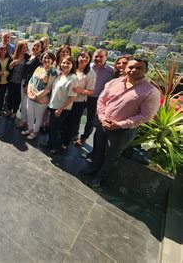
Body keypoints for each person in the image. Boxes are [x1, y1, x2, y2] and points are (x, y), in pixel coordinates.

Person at [87, 58, 160, 188]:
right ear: (126, 68)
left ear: (146, 71)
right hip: (103, 124)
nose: (133, 70)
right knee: (99, 150)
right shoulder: (114, 83)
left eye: (139, 68)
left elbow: (146, 115)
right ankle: (93, 169)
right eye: (131, 67)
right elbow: (102, 100)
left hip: (123, 131)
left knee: (111, 156)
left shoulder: (150, 91)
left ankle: (100, 178)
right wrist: (103, 117)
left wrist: (120, 124)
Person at [76, 49, 114, 147]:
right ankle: (74, 134)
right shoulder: (88, 66)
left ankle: (83, 138)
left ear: (106, 57)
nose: (98, 59)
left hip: (96, 99)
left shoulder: (111, 71)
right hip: (82, 95)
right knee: (76, 116)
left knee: (90, 120)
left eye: (101, 56)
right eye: (96, 56)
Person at [63, 50, 96, 147]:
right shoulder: (72, 67)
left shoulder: (91, 73)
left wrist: (80, 90)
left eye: (87, 57)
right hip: (65, 99)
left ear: (89, 60)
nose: (84, 58)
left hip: (78, 102)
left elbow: (91, 91)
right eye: (82, 56)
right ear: (78, 57)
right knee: (63, 120)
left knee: (71, 123)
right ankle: (59, 139)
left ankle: (65, 143)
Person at [46, 56, 78, 154]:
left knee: (54, 128)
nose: (65, 65)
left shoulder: (73, 78)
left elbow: (72, 97)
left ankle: (56, 147)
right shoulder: (60, 75)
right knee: (51, 127)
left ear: (72, 65)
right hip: (53, 105)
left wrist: (60, 109)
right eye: (63, 63)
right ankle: (50, 143)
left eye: (68, 63)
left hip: (61, 108)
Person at [23, 52, 58, 140]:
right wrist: (29, 92)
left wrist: (36, 96)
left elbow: (48, 88)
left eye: (49, 58)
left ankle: (35, 131)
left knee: (38, 117)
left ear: (53, 60)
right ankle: (30, 129)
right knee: (30, 114)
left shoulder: (53, 72)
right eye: (45, 57)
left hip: (42, 98)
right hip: (31, 95)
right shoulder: (39, 67)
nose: (46, 60)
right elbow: (31, 80)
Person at [16, 40, 43, 128]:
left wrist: (26, 85)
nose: (35, 47)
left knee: (25, 103)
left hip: (29, 84)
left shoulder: (39, 59)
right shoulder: (30, 56)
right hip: (23, 81)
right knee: (23, 102)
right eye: (34, 45)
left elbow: (32, 73)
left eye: (38, 46)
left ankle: (24, 120)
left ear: (41, 48)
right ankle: (25, 119)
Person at [6, 40, 29, 119]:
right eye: (23, 48)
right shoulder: (13, 57)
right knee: (10, 97)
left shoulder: (27, 57)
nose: (25, 49)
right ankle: (9, 110)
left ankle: (14, 112)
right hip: (12, 80)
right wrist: (12, 64)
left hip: (20, 82)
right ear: (19, 48)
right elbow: (8, 68)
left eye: (26, 47)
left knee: (17, 98)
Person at [0, 45, 11, 115]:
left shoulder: (9, 59)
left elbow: (10, 70)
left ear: (7, 51)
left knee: (2, 95)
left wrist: (3, 73)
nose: (3, 51)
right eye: (1, 50)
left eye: (4, 50)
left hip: (4, 81)